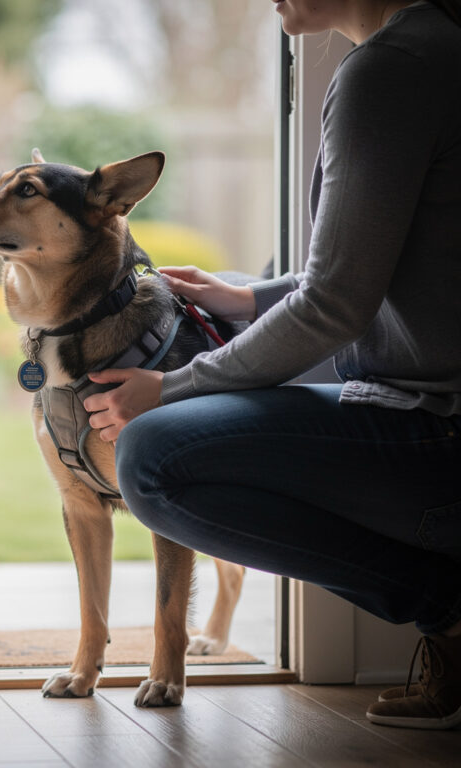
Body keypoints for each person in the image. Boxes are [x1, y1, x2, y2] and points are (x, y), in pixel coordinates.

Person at [83, 0, 461, 730]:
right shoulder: (429, 49)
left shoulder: (390, 70)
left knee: (155, 458)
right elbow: (374, 269)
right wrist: (249, 296)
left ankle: (447, 611)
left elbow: (335, 307)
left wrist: (170, 387)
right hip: (425, 411)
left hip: (438, 433)